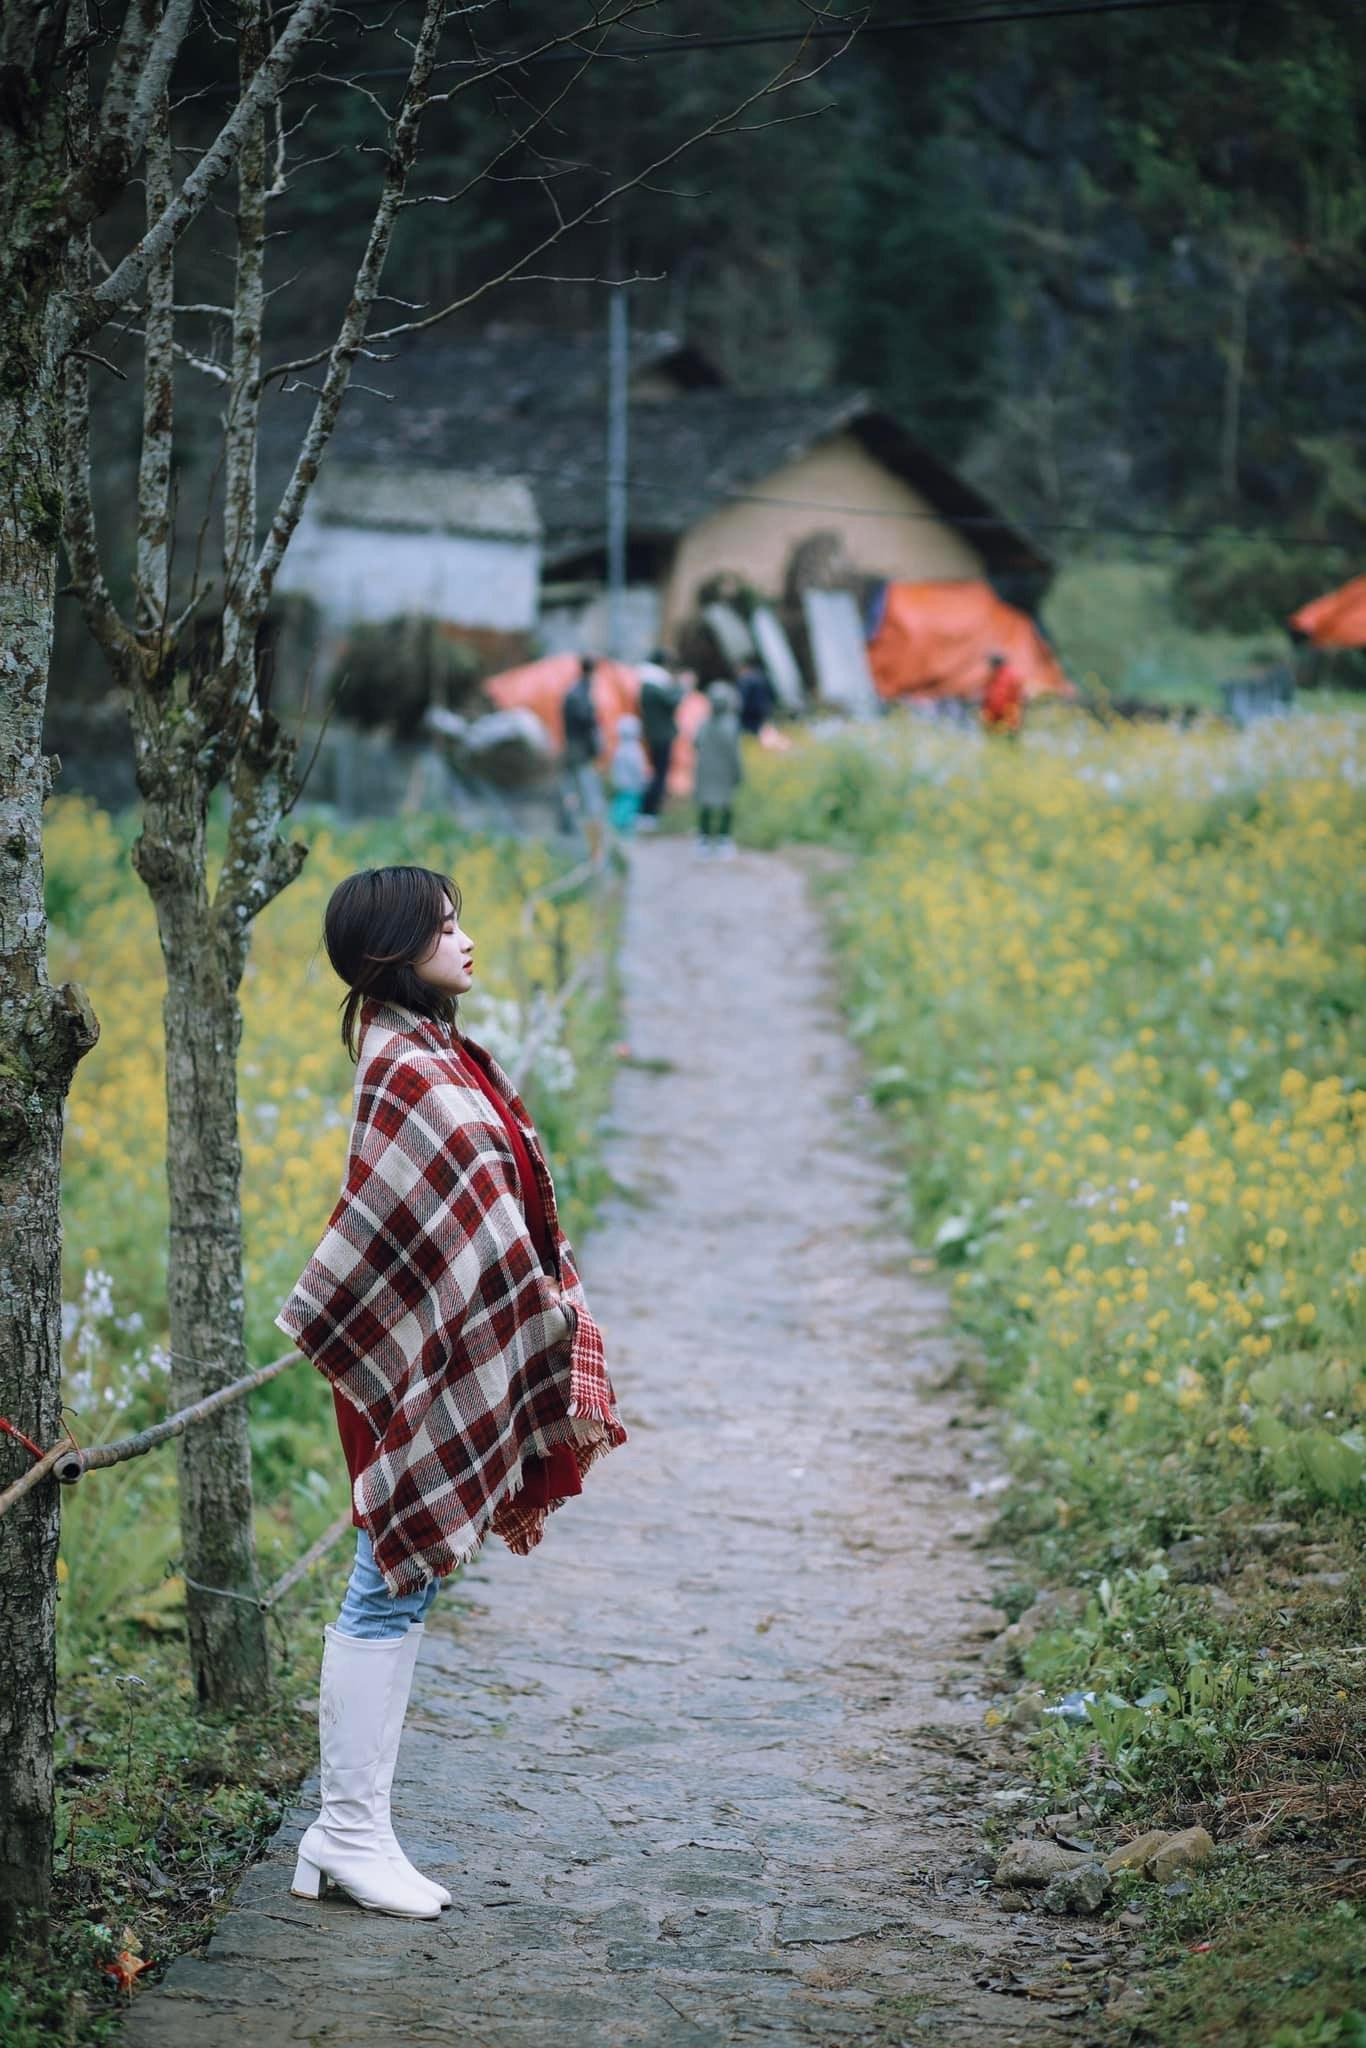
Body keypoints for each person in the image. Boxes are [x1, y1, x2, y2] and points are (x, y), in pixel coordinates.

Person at [276, 866, 626, 1919]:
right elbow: (416, 1227)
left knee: (397, 1579)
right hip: (414, 1364)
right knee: (385, 1577)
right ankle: (345, 1832)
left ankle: (343, 1833)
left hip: (434, 1353)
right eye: (444, 926)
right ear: (395, 950)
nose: (467, 939)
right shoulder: (406, 1067)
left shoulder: (433, 1048)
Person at [693, 680, 744, 858]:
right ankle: (722, 839)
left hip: (706, 771)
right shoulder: (730, 725)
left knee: (708, 806)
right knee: (724, 806)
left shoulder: (704, 724)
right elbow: (735, 754)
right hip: (723, 772)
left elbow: (696, 743)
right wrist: (738, 773)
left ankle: (705, 839)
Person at [561, 655, 605, 856]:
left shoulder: (575, 690)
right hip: (581, 750)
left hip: (573, 746)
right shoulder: (581, 693)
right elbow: (586, 721)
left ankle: (573, 825)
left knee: (574, 789)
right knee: (585, 793)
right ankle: (589, 840)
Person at [636, 649, 685, 829]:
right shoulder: (652, 685)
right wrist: (682, 686)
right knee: (659, 775)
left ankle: (647, 811)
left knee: (656, 773)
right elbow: (672, 701)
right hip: (661, 735)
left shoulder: (646, 683)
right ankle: (649, 812)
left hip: (654, 734)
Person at [608, 711, 649, 836]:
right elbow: (637, 768)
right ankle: (624, 829)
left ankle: (613, 824)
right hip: (632, 784)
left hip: (620, 782)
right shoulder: (635, 749)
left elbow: (614, 766)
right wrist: (643, 779)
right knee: (629, 806)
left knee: (620, 803)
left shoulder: (619, 748)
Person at [981, 650, 1026, 737]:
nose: (989, 665)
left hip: (1008, 718)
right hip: (995, 719)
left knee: (1007, 741)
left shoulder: (1011, 675)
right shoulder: (993, 675)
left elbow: (1019, 697)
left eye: (991, 663)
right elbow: (987, 696)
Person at [736, 659, 776, 738]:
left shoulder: (746, 681)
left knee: (757, 732)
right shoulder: (761, 677)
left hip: (752, 712)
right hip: (764, 708)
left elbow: (744, 700)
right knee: (765, 728)